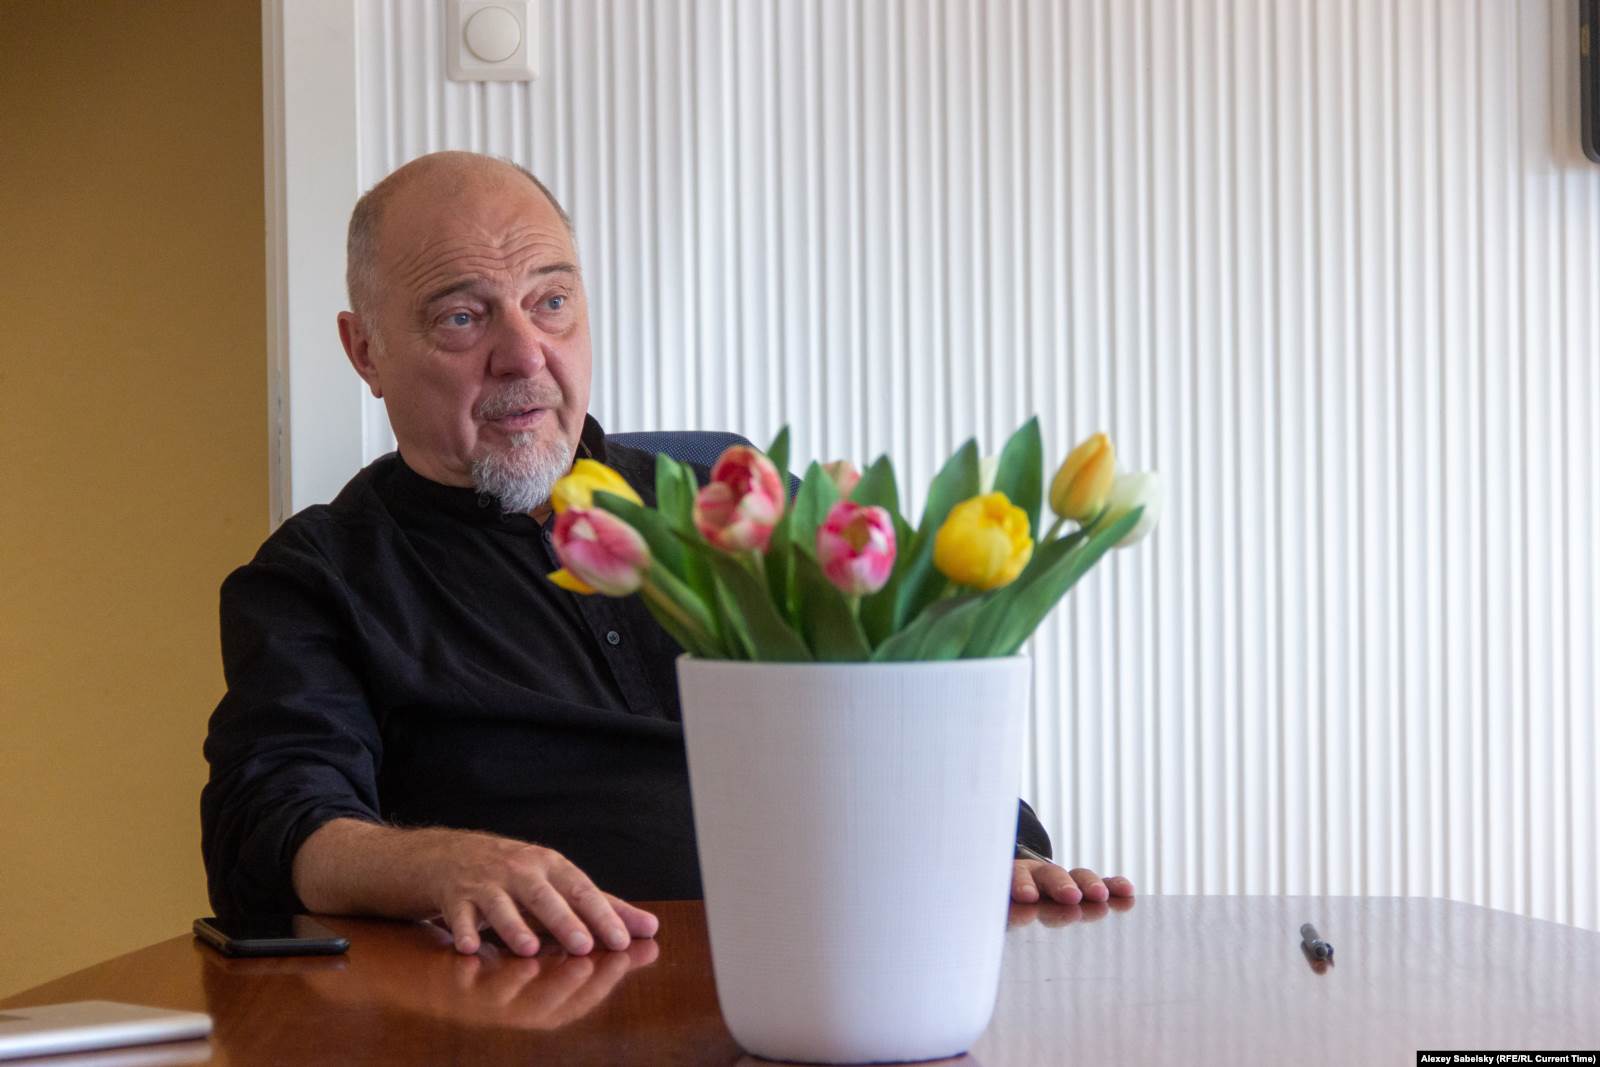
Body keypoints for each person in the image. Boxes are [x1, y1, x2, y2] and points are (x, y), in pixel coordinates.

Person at [201, 151, 1133, 959]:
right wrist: (438, 863)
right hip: (544, 994)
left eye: (551, 301)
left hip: (838, 957)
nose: (525, 354)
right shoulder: (316, 576)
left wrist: (995, 848)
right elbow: (273, 824)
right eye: (462, 318)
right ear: (365, 350)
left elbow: (906, 719)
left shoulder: (742, 508)